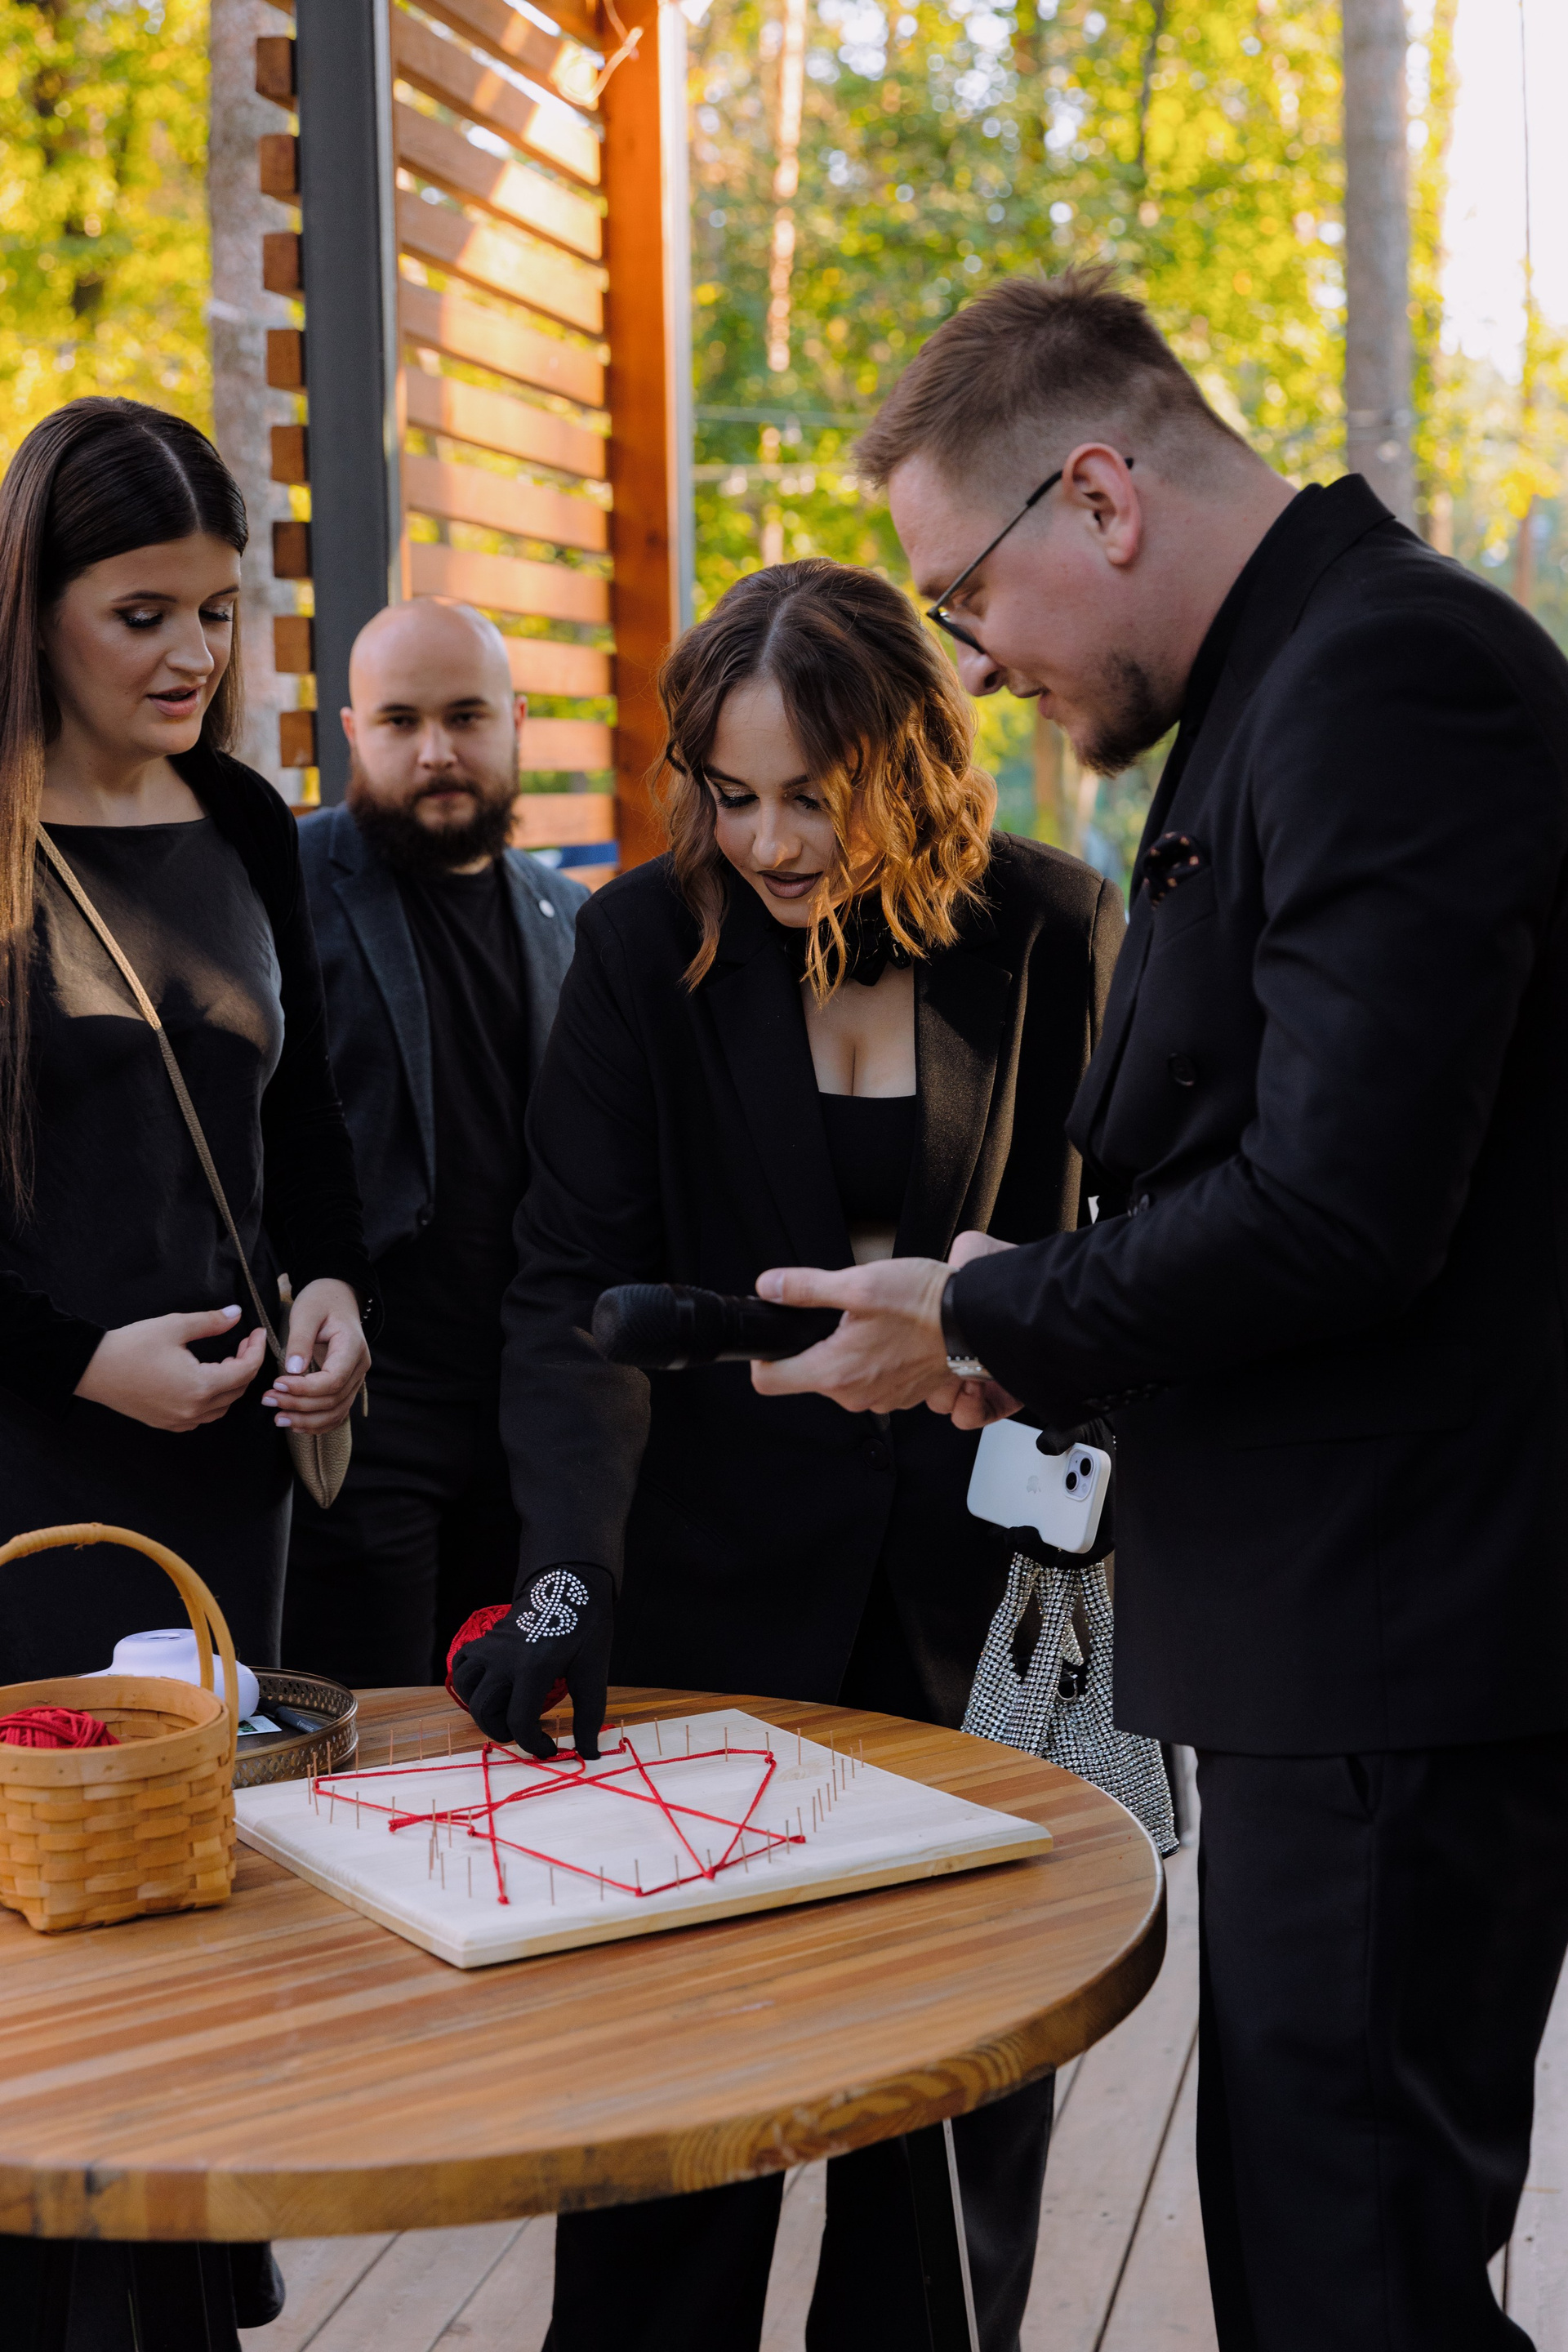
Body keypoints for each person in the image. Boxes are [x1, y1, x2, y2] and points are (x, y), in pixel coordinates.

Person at [744, 270, 1568, 2352]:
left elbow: (1343, 1209)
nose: (971, 658)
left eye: (965, 594)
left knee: (1354, 2278)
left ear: (1098, 496)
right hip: (1336, 1642)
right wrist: (1017, 1326)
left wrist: (993, 1314)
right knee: (1313, 2251)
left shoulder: (1387, 680)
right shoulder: (1297, 683)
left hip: (1396, 1643)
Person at [456, 558, 1125, 2352]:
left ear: (912, 760)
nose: (766, 842)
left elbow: (1125, 1258)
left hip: (982, 1626)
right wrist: (568, 1570)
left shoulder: (1055, 927)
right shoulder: (636, 945)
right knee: (670, 2167)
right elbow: (567, 1290)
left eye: (812, 797)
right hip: (710, 1613)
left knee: (943, 2189)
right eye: (730, 793)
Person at [0, 397, 372, 2345]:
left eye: (220, 611)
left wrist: (334, 1291)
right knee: (57, 1945)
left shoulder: (241, 821)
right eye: (141, 612)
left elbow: (298, 1123)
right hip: (30, 1467)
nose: (194, 655)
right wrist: (78, 1360)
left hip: (230, 1470)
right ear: (32, 608)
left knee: (207, 1913)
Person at [281, 600, 588, 1688]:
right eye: (401, 721)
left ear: (515, 721)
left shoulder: (569, 915)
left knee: (509, 1720)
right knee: (365, 1719)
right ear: (353, 732)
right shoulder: (283, 883)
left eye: (465, 717)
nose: (437, 752)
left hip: (527, 1414)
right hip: (369, 1407)